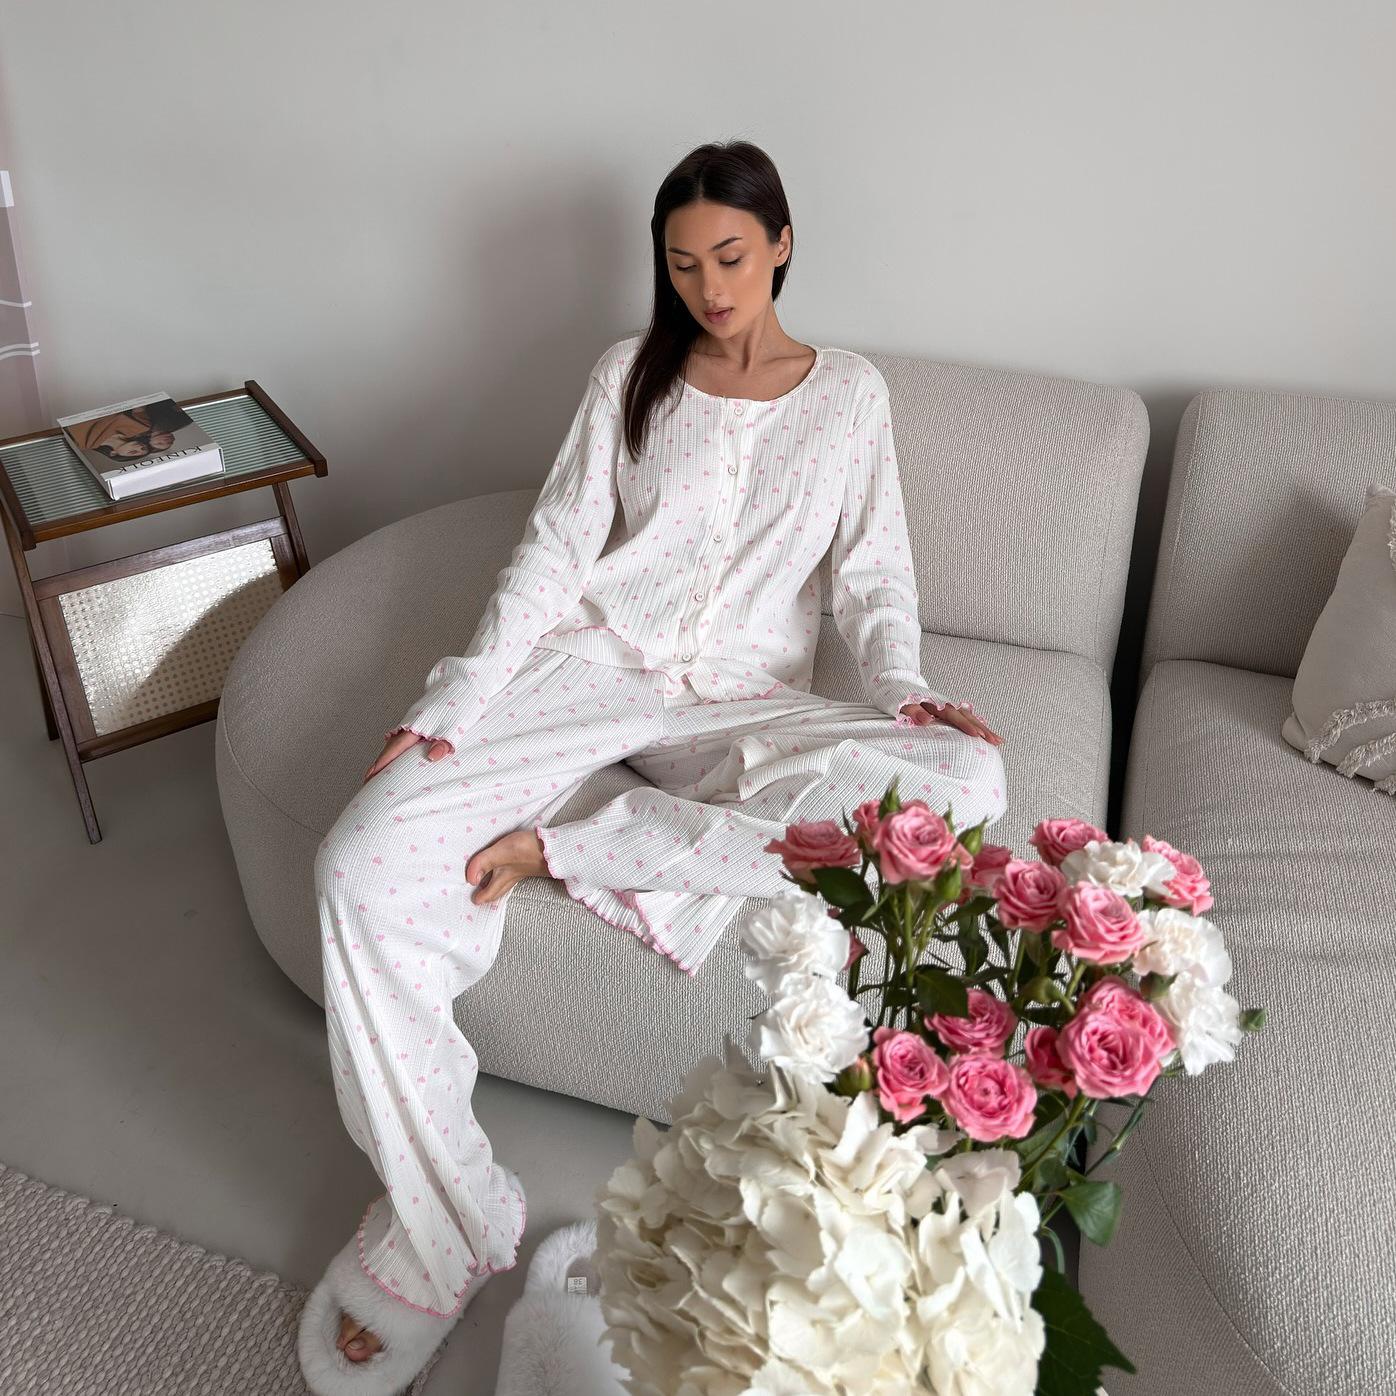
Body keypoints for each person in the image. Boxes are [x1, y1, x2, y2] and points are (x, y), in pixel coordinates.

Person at [295, 138, 1006, 1396]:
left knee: (961, 785)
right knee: (356, 862)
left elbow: (872, 575)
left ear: (781, 244)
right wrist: (456, 699)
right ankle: (447, 1213)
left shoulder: (849, 394)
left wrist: (905, 689)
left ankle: (576, 845)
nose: (708, 288)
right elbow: (555, 549)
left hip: (742, 702)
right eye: (682, 265)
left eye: (729, 256)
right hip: (591, 672)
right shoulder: (629, 373)